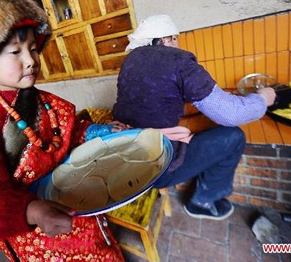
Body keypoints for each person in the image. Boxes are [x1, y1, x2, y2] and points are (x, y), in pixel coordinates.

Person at [0, 0, 126, 261]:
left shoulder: (42, 100)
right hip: (37, 230)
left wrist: (97, 131)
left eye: (34, 49)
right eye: (15, 52)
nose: (31, 61)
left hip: (71, 200)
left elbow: (66, 134)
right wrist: (32, 211)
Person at [113, 14, 276, 220]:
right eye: (176, 38)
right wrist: (262, 99)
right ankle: (202, 201)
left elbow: (154, 99)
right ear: (166, 39)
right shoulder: (179, 61)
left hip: (124, 158)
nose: (178, 44)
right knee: (234, 137)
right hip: (154, 169)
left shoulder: (130, 61)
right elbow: (231, 114)